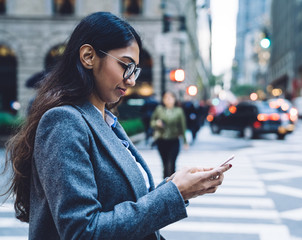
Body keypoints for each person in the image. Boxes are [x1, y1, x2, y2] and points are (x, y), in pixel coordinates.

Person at [2, 12, 232, 240]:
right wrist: (174, 194)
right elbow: (82, 232)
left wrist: (175, 188)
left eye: (135, 70)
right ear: (88, 56)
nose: (131, 80)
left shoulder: (106, 120)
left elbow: (123, 201)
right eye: (126, 65)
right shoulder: (64, 122)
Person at [151, 91, 189, 178]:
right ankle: (165, 184)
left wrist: (185, 142)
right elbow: (152, 122)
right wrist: (157, 123)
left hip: (174, 140)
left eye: (170, 98)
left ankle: (172, 183)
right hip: (161, 140)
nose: (168, 100)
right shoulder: (159, 109)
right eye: (166, 98)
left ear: (174, 99)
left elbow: (183, 127)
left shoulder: (179, 111)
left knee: (172, 163)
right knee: (164, 163)